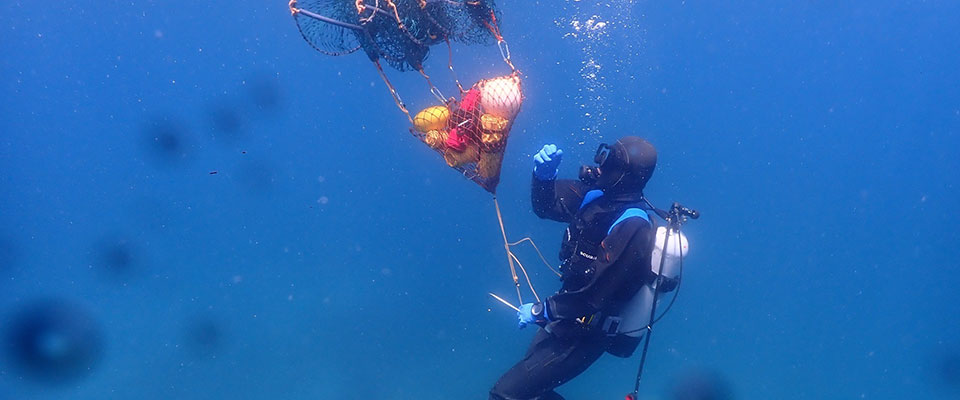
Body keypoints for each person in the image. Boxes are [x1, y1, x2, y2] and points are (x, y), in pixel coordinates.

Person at [489, 136, 661, 400]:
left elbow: (595, 296)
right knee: (533, 394)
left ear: (622, 174)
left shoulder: (634, 226)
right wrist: (543, 179)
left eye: (608, 160)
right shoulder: (595, 197)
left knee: (506, 395)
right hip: (566, 319)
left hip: (589, 332)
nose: (598, 165)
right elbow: (546, 208)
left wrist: (541, 310)